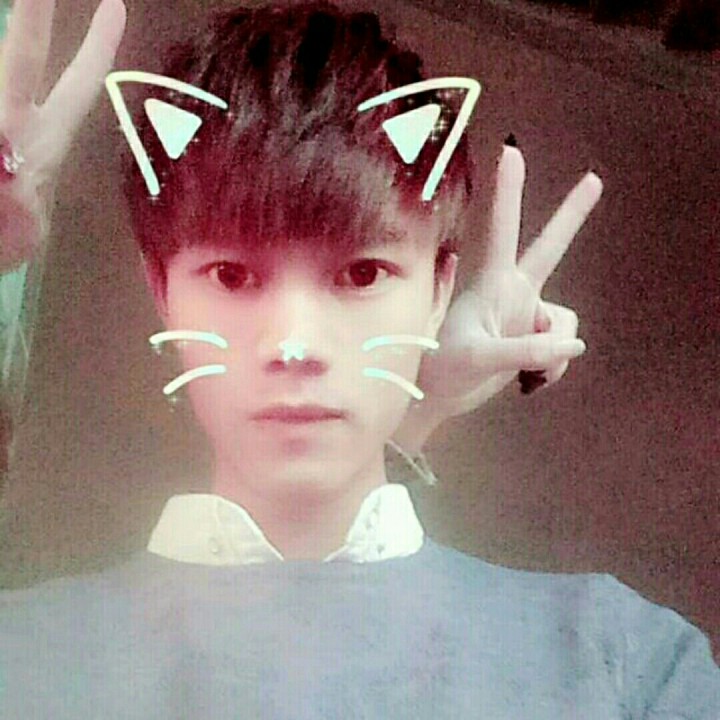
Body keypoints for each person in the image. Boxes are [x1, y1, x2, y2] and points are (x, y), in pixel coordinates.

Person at [0, 1, 717, 718]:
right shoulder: (22, 656)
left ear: (439, 290)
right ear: (162, 291)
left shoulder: (620, 661)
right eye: (232, 276)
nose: (295, 345)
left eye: (362, 274)